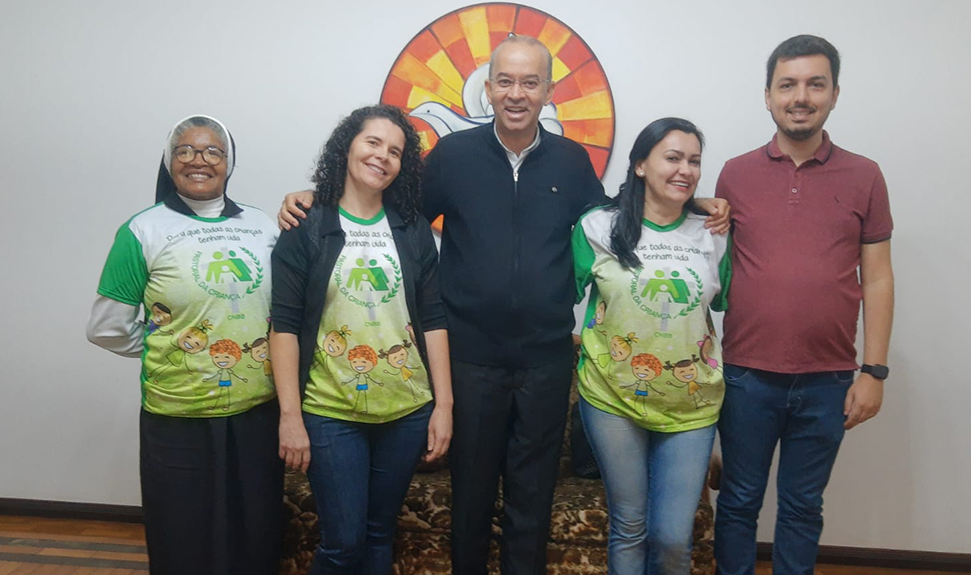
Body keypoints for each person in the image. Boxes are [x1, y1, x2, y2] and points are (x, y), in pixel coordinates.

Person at [279, 36, 730, 575]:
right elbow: (385, 207)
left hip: (544, 359)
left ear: (549, 92)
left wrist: (691, 201)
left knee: (531, 494)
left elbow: (615, 217)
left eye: (530, 82)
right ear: (488, 88)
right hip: (471, 356)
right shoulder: (454, 157)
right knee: (470, 490)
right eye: (506, 81)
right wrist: (313, 196)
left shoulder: (569, 158)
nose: (517, 93)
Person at [713, 35, 894, 575]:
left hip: (829, 378)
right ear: (767, 96)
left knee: (801, 506)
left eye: (815, 84)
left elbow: (879, 278)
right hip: (746, 374)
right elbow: (707, 265)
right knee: (739, 501)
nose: (801, 96)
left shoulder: (865, 175)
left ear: (835, 94)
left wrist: (874, 371)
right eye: (787, 84)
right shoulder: (734, 173)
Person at [86, 115, 283, 574]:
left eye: (213, 151)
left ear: (228, 163)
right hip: (178, 413)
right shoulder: (142, 231)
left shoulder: (263, 227)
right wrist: (171, 347)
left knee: (256, 528)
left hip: (257, 411)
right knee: (182, 534)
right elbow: (106, 326)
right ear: (169, 161)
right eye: (186, 151)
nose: (199, 161)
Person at [269, 105, 453, 575]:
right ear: (347, 146)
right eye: (373, 142)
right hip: (330, 411)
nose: (382, 156)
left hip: (408, 409)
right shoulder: (306, 225)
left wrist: (444, 407)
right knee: (343, 543)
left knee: (378, 535)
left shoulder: (412, 230)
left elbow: (433, 319)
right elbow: (284, 326)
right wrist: (290, 416)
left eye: (395, 151)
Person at [573, 117, 730, 575]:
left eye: (694, 161)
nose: (685, 169)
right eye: (672, 157)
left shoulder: (713, 234)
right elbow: (552, 294)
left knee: (672, 538)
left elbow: (734, 304)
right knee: (630, 526)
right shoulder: (597, 228)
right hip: (611, 399)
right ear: (640, 164)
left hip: (692, 403)